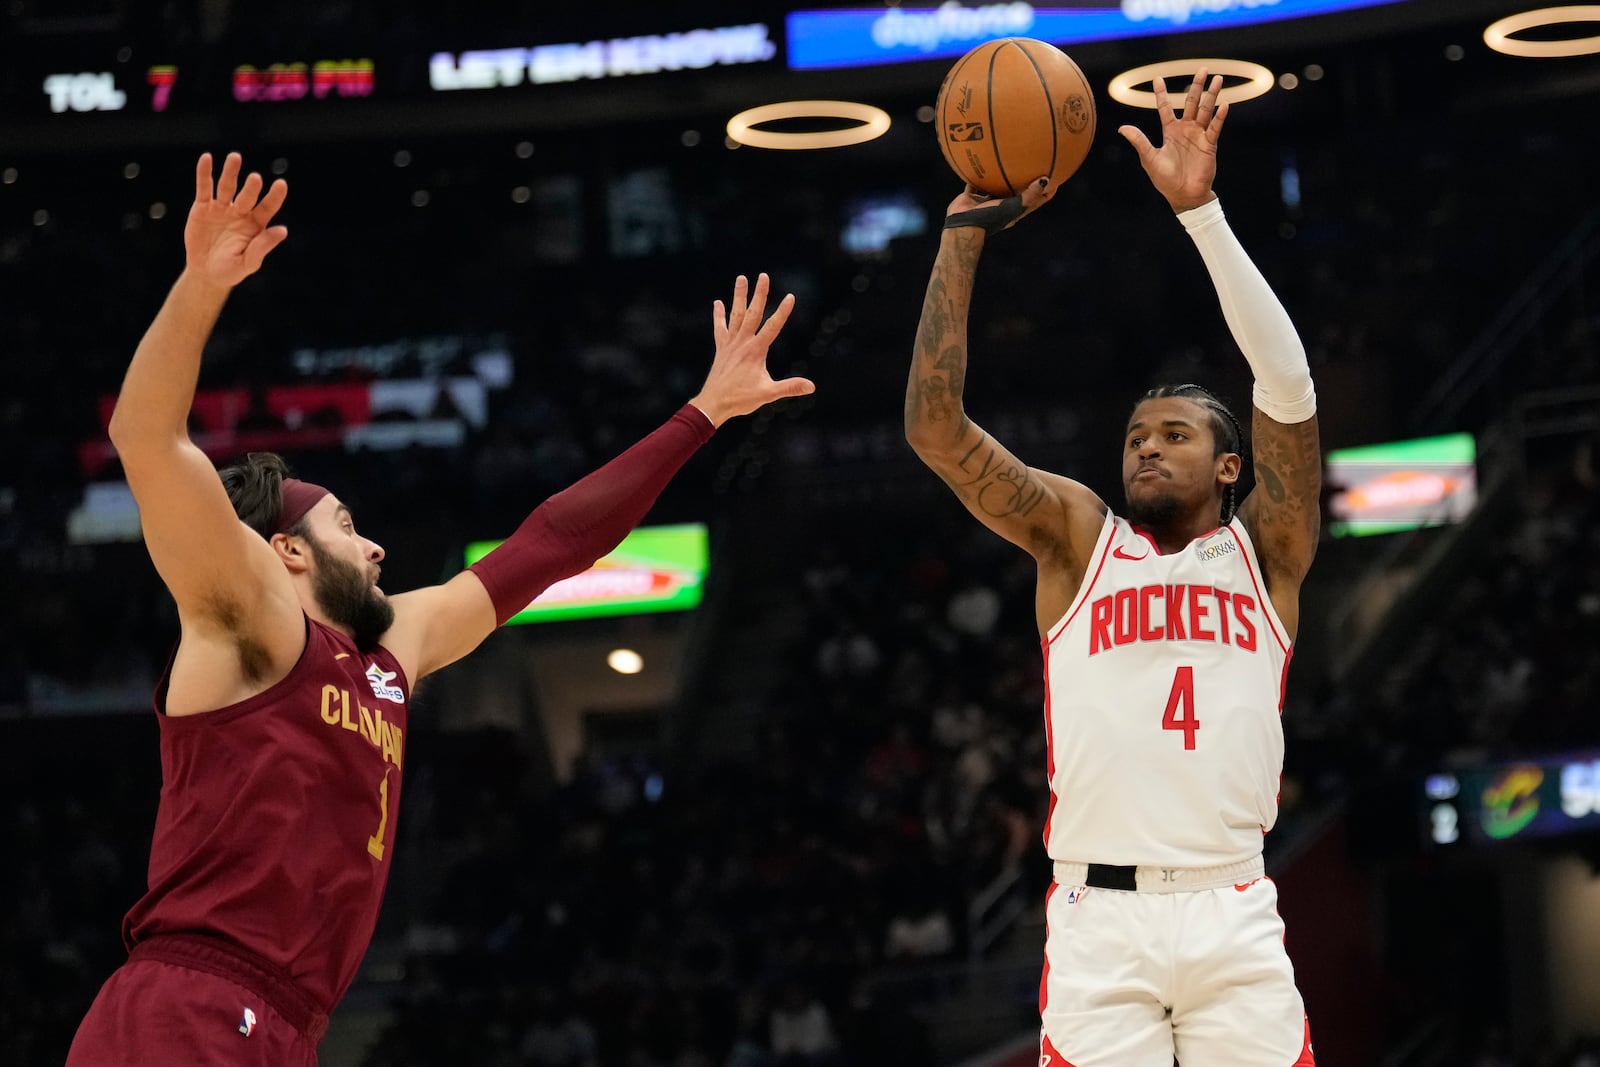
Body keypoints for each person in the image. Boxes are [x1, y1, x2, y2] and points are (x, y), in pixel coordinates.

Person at [66, 151, 813, 1067]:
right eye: (347, 525)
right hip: (191, 1002)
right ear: (287, 549)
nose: (377, 546)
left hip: (286, 1024)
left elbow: (552, 543)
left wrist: (699, 414)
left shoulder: (391, 648)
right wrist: (200, 284)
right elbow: (145, 435)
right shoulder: (249, 612)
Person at [904, 73, 1320, 1066]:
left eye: (1172, 434)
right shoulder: (1079, 538)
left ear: (1230, 466)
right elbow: (934, 428)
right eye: (1136, 434)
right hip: (1100, 917)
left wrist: (1203, 216)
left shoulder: (1267, 549)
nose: (1144, 447)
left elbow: (1287, 382)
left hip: (1231, 902)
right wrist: (962, 234)